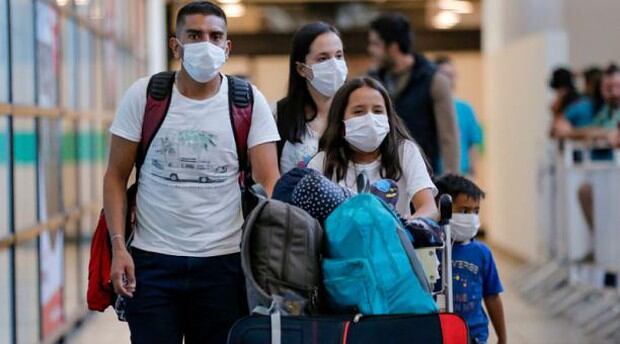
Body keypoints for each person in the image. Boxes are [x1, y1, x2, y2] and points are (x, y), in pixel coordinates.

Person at [103, 2, 280, 343]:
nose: (206, 44)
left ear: (227, 47)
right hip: (152, 263)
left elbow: (270, 180)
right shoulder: (145, 95)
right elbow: (115, 175)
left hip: (223, 265)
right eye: (195, 35)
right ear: (176, 45)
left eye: (216, 36)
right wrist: (118, 247)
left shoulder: (247, 101)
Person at [307, 76, 439, 221]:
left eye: (377, 111)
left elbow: (429, 208)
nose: (370, 119)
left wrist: (410, 223)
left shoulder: (404, 151)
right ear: (340, 122)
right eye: (358, 112)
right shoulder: (321, 163)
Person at [367, 14, 460, 175]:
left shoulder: (434, 80)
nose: (370, 50)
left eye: (376, 44)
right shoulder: (373, 81)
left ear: (393, 47)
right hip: (380, 177)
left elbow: (449, 137)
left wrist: (451, 180)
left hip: (423, 177)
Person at [434, 174, 506, 344]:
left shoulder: (482, 253)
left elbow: (492, 297)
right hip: (440, 333)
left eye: (476, 211)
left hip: (475, 335)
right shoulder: (433, 249)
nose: (471, 217)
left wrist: (502, 337)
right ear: (442, 208)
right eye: (464, 210)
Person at [275, 22, 348, 174]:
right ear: (302, 69)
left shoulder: (356, 113)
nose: (334, 64)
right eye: (323, 58)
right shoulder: (278, 115)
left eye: (339, 56)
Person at [435, 56, 483, 178]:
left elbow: (474, 143)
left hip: (461, 174)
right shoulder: (427, 109)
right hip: (434, 174)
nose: (449, 80)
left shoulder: (465, 109)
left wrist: (472, 172)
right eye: (444, 75)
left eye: (452, 75)